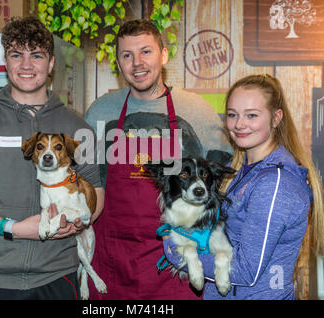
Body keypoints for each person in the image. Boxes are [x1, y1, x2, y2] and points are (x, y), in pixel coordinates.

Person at [0, 16, 104, 300]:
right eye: (17, 55)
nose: (26, 65)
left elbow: (95, 192)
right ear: (6, 61)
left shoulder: (78, 129)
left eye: (36, 55)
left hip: (59, 275)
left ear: (51, 63)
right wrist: (12, 228)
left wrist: (82, 221)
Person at [84, 19, 232, 300]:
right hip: (113, 261)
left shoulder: (196, 112)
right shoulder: (99, 113)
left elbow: (219, 185)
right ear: (118, 62)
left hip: (176, 261)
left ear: (163, 55)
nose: (137, 63)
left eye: (146, 52)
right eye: (127, 55)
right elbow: (86, 183)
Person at [163, 74, 324, 299]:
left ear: (276, 118)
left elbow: (246, 271)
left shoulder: (274, 183)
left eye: (252, 115)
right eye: (232, 115)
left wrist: (174, 250)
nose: (239, 124)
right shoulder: (236, 169)